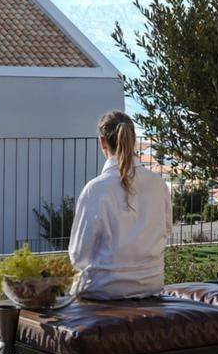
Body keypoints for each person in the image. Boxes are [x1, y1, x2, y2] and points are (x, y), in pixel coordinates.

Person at [68, 110, 172, 300]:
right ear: (134, 141)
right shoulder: (158, 183)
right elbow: (166, 229)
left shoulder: (95, 189)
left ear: (102, 142)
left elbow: (78, 256)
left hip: (103, 290)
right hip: (151, 286)